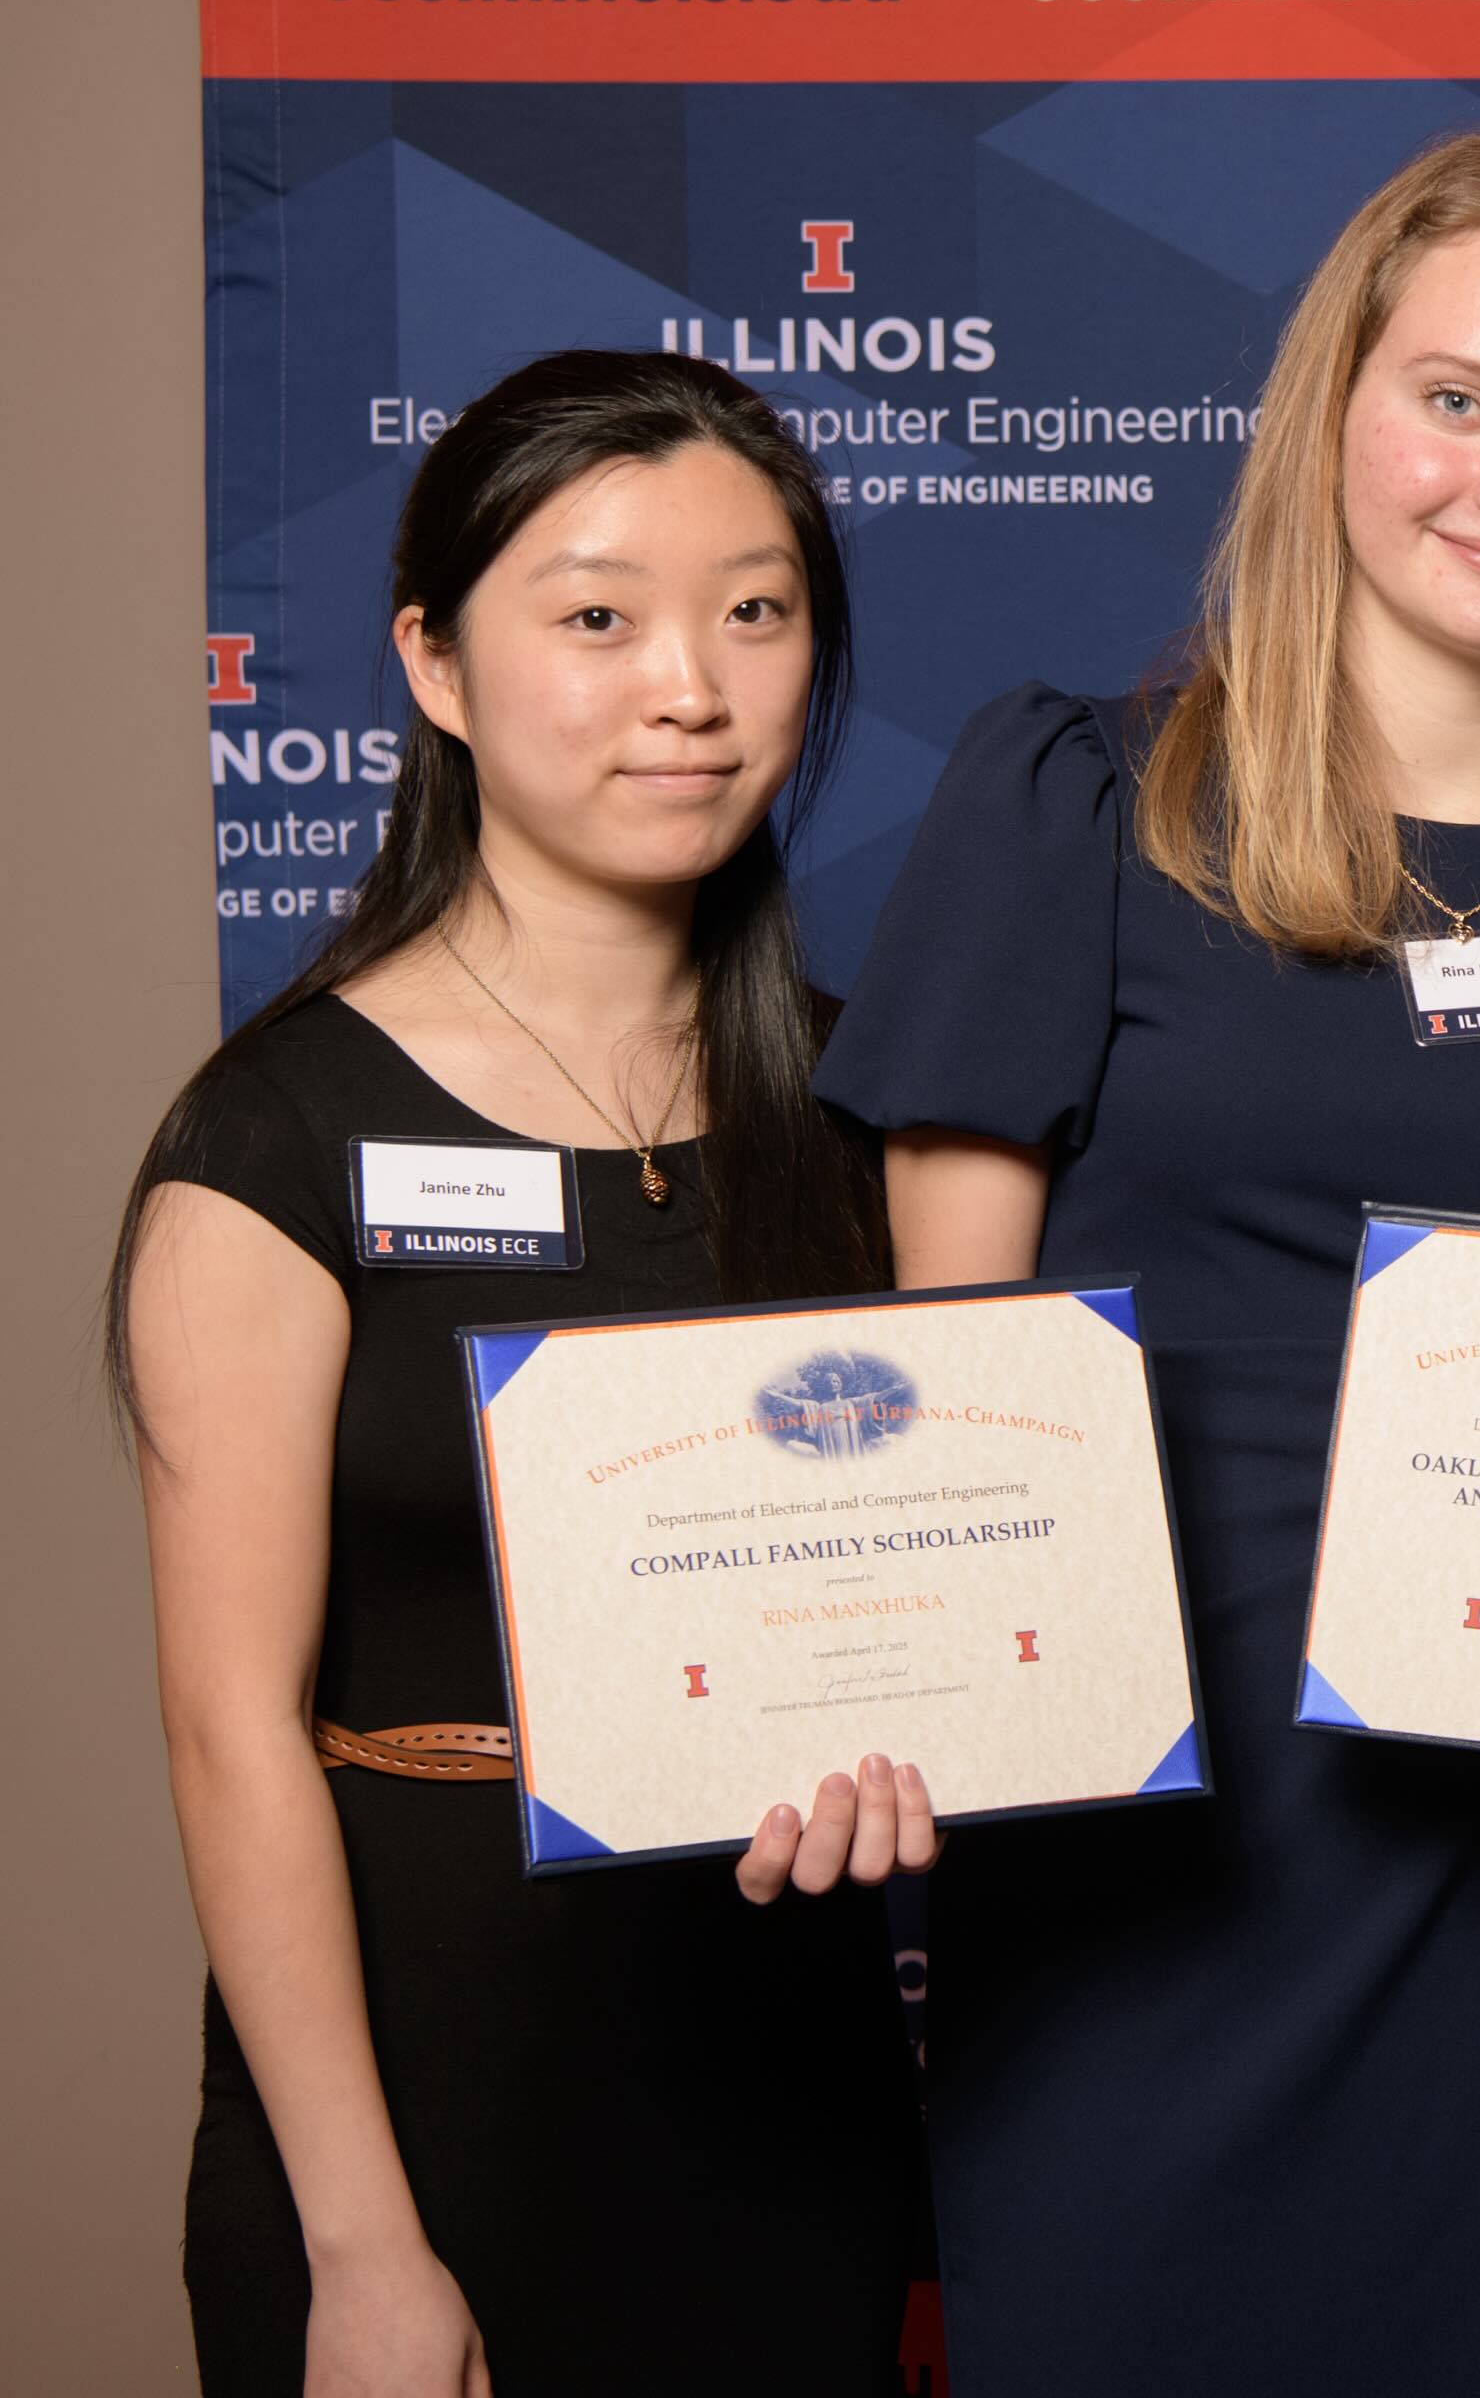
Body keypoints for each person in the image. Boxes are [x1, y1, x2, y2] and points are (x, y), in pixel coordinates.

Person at [812, 132, 1480, 2393]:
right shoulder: (1079, 805)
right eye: (1458, 400)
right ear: (1336, 409)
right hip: (1143, 1918)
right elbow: (949, 1422)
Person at [116, 351, 925, 2396]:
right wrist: (363, 2246)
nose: (690, 687)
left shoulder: (880, 1118)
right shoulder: (278, 1135)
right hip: (416, 2135)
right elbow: (228, 1730)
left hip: (791, 2120)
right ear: (437, 666)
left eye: (756, 610)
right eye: (597, 617)